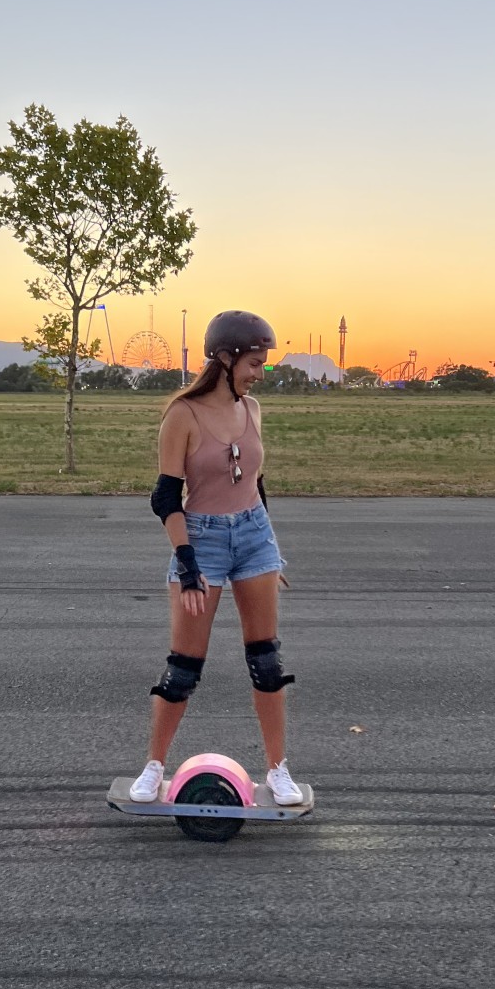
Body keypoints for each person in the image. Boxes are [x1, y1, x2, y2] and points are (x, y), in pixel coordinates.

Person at [130, 310, 304, 807]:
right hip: (200, 539)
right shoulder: (182, 415)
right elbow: (165, 497)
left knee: (266, 662)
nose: (259, 373)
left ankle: (277, 770)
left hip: (253, 536)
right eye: (253, 362)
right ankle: (153, 765)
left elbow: (255, 483)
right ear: (224, 358)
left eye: (262, 364)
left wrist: (271, 551)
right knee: (183, 667)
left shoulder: (253, 410)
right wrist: (187, 565)